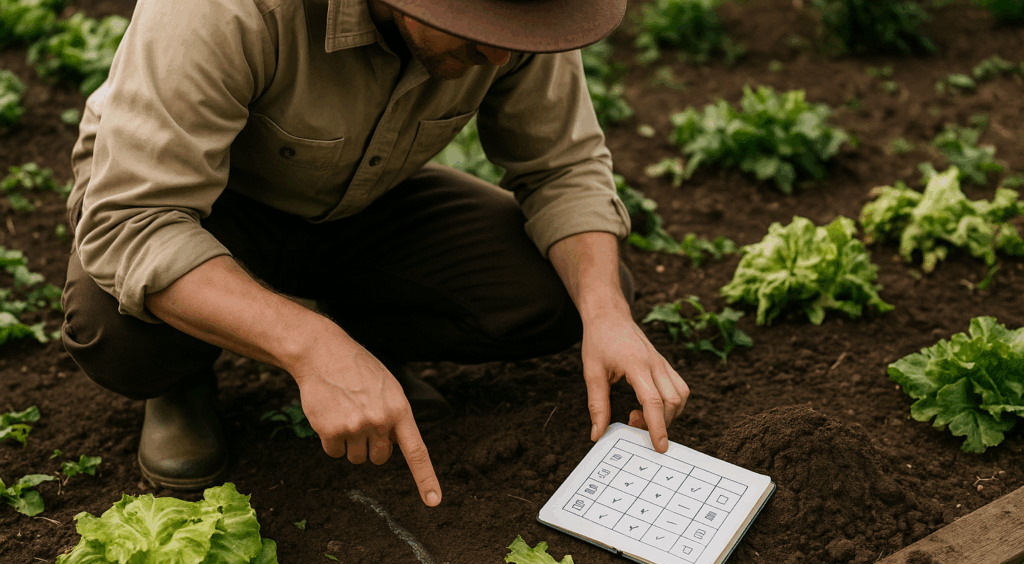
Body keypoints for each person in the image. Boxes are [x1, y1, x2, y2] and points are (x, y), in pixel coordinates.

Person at [60, 0, 689, 505]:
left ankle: (364, 341)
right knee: (119, 330)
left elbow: (564, 168)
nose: (497, 53)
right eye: (473, 25)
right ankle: (183, 382)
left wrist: (606, 313)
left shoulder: (518, 21)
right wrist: (311, 347)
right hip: (205, 208)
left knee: (561, 295)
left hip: (362, 202)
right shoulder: (229, 9)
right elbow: (136, 221)